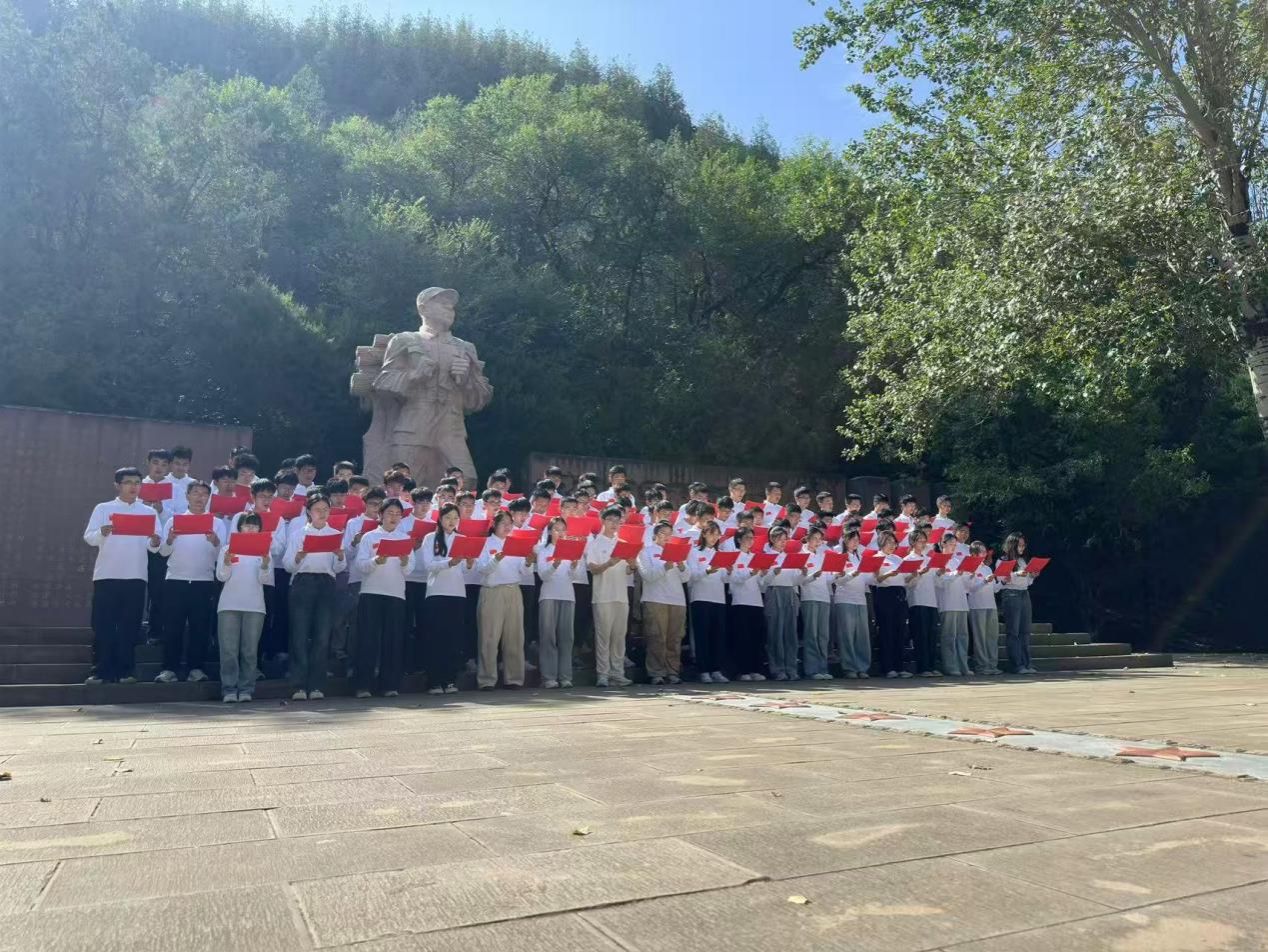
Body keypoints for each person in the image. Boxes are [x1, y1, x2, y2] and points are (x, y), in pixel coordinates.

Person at [83, 467, 158, 684]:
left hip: (135, 575)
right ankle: (101, 670)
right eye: (128, 482)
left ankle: (126, 670)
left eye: (137, 483)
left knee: (130, 625)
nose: (133, 487)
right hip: (107, 574)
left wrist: (155, 540)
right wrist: (102, 532)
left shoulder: (148, 511)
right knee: (103, 624)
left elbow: (155, 544)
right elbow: (89, 537)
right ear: (117, 485)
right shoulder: (103, 508)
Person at [153, 481, 222, 684]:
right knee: (172, 626)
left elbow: (224, 554)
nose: (200, 497)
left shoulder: (216, 523)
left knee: (200, 627)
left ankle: (196, 668)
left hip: (203, 581)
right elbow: (163, 552)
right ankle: (169, 669)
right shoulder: (174, 521)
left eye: (204, 494)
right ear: (187, 496)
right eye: (195, 493)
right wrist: (170, 539)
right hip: (176, 580)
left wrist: (215, 541)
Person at [282, 492, 345, 700]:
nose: (322, 513)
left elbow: (339, 568)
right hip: (303, 582)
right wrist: (298, 557)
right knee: (299, 634)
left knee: (322, 635)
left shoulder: (335, 534)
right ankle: (298, 685)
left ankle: (317, 684)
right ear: (309, 512)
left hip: (326, 583)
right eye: (318, 509)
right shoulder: (298, 534)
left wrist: (340, 556)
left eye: (326, 509)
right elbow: (288, 566)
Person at [354, 498, 415, 698]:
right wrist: (375, 561)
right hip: (371, 592)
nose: (394, 517)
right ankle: (363, 685)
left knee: (393, 640)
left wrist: (404, 562)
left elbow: (409, 569)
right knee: (368, 639)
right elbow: (360, 565)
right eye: (390, 513)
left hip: (395, 594)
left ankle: (389, 684)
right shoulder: (369, 537)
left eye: (398, 514)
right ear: (380, 515)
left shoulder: (404, 538)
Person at [216, 511, 271, 702]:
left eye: (255, 526)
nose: (250, 529)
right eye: (247, 525)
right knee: (228, 650)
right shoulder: (227, 549)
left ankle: (246, 688)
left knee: (249, 651)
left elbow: (265, 580)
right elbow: (221, 576)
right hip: (229, 604)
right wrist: (226, 562)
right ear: (239, 528)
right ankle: (229, 689)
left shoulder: (264, 550)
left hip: (255, 606)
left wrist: (265, 565)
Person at [421, 503, 473, 694]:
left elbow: (467, 571)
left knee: (454, 638)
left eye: (455, 518)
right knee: (436, 637)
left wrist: (469, 563)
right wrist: (449, 563)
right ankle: (434, 681)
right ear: (440, 519)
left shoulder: (463, 539)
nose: (452, 521)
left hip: (457, 593)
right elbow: (428, 565)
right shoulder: (430, 538)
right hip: (436, 592)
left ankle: (450, 680)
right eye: (448, 517)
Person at [475, 511, 527, 689]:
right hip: (492, 591)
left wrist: (529, 562)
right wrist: (495, 560)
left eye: (509, 523)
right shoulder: (485, 543)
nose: (507, 526)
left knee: (514, 637)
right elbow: (482, 569)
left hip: (513, 590)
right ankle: (486, 679)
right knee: (489, 637)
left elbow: (524, 571)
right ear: (494, 525)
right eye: (503, 523)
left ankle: (514, 678)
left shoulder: (516, 542)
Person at [586, 506, 636, 688]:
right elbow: (593, 569)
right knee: (603, 637)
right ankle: (603, 674)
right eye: (610, 520)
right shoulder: (595, 543)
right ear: (603, 521)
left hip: (621, 596)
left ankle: (618, 673)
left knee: (619, 637)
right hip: (602, 596)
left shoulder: (623, 542)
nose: (614, 524)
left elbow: (630, 571)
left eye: (617, 520)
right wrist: (609, 563)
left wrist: (632, 565)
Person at [638, 520, 688, 685]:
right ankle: (656, 672)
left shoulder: (678, 551)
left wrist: (681, 566)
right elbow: (648, 576)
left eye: (669, 534)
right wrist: (666, 566)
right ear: (655, 535)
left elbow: (686, 578)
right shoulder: (646, 552)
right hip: (655, 598)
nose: (667, 537)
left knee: (675, 638)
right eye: (663, 533)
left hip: (677, 599)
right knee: (656, 636)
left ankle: (672, 671)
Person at [536, 517, 577, 688]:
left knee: (566, 638)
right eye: (556, 529)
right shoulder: (544, 551)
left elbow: (573, 577)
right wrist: (554, 564)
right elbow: (543, 576)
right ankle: (549, 677)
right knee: (548, 637)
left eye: (563, 530)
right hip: (549, 596)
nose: (560, 533)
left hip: (568, 595)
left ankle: (565, 676)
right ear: (549, 532)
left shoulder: (571, 549)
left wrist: (574, 566)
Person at [687, 520, 728, 683]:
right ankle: (703, 670)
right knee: (702, 635)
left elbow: (725, 579)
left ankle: (716, 669)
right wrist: (707, 570)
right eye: (711, 534)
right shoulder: (694, 552)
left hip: (718, 598)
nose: (714, 537)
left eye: (717, 534)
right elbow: (691, 576)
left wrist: (729, 571)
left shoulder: (720, 554)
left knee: (718, 635)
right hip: (701, 597)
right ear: (704, 534)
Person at [726, 527, 767, 681]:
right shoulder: (734, 556)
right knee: (742, 637)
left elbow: (761, 584)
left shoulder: (755, 557)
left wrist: (763, 575)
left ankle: (756, 669)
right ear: (739, 539)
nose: (750, 541)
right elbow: (734, 579)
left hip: (756, 601)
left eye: (752, 538)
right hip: (740, 601)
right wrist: (750, 573)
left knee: (756, 637)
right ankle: (743, 670)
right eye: (747, 537)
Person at [762, 525, 801, 681]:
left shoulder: (789, 556)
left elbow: (796, 580)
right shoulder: (766, 556)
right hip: (774, 592)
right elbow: (762, 582)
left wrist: (803, 573)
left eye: (785, 539)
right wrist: (773, 573)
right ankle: (777, 669)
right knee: (775, 632)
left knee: (790, 633)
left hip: (789, 593)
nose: (783, 542)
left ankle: (791, 668)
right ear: (772, 539)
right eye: (780, 539)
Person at [833, 529, 872, 678]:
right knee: (847, 635)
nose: (856, 543)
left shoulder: (860, 557)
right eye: (853, 539)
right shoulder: (840, 557)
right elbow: (837, 580)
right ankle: (849, 667)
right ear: (845, 540)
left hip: (860, 599)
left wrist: (874, 573)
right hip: (845, 599)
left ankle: (862, 667)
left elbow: (867, 579)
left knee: (862, 635)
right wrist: (851, 575)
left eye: (857, 540)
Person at [871, 531, 911, 678]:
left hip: (899, 594)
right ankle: (888, 667)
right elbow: (876, 579)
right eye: (889, 542)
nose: (892, 545)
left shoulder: (898, 559)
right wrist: (889, 574)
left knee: (900, 631)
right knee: (887, 631)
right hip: (885, 594)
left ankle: (899, 666)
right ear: (882, 542)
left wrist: (914, 574)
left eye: (894, 542)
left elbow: (905, 579)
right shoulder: (877, 558)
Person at [999, 532, 1038, 674]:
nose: (1022, 548)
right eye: (1019, 545)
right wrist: (1016, 574)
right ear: (1012, 545)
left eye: (1023, 545)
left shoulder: (1022, 560)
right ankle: (1017, 664)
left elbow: (1027, 582)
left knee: (1025, 630)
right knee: (1013, 631)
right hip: (1011, 594)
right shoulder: (1003, 560)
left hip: (1024, 593)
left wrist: (1032, 576)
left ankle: (1027, 663)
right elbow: (1002, 579)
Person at [905, 528, 941, 677]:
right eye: (920, 540)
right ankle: (923, 667)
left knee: (932, 635)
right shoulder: (908, 559)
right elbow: (907, 583)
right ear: (913, 542)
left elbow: (936, 583)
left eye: (924, 540)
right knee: (921, 635)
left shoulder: (928, 559)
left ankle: (931, 666)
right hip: (917, 601)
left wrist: (939, 573)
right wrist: (919, 574)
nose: (923, 543)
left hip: (931, 600)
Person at [799, 526, 833, 680]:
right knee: (811, 634)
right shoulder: (801, 555)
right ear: (808, 538)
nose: (817, 542)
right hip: (809, 597)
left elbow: (828, 579)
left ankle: (823, 667)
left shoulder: (822, 556)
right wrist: (813, 576)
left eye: (820, 539)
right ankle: (812, 669)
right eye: (814, 538)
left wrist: (838, 575)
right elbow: (800, 581)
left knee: (823, 635)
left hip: (824, 597)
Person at [934, 533, 971, 676]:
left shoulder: (958, 560)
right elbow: (939, 583)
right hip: (947, 603)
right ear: (943, 544)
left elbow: (966, 584)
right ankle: (950, 666)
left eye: (955, 545)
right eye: (951, 544)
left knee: (963, 636)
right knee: (949, 636)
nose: (954, 547)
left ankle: (963, 665)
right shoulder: (938, 560)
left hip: (961, 602)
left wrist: (970, 575)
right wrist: (956, 574)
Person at [966, 541, 1002, 675]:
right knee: (980, 638)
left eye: (985, 551)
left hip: (991, 605)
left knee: (992, 636)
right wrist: (984, 581)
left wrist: (1003, 582)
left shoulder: (987, 568)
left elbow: (995, 589)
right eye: (981, 551)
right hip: (977, 606)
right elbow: (970, 589)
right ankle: (982, 666)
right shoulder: (970, 568)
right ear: (974, 554)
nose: (984, 553)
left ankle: (992, 665)